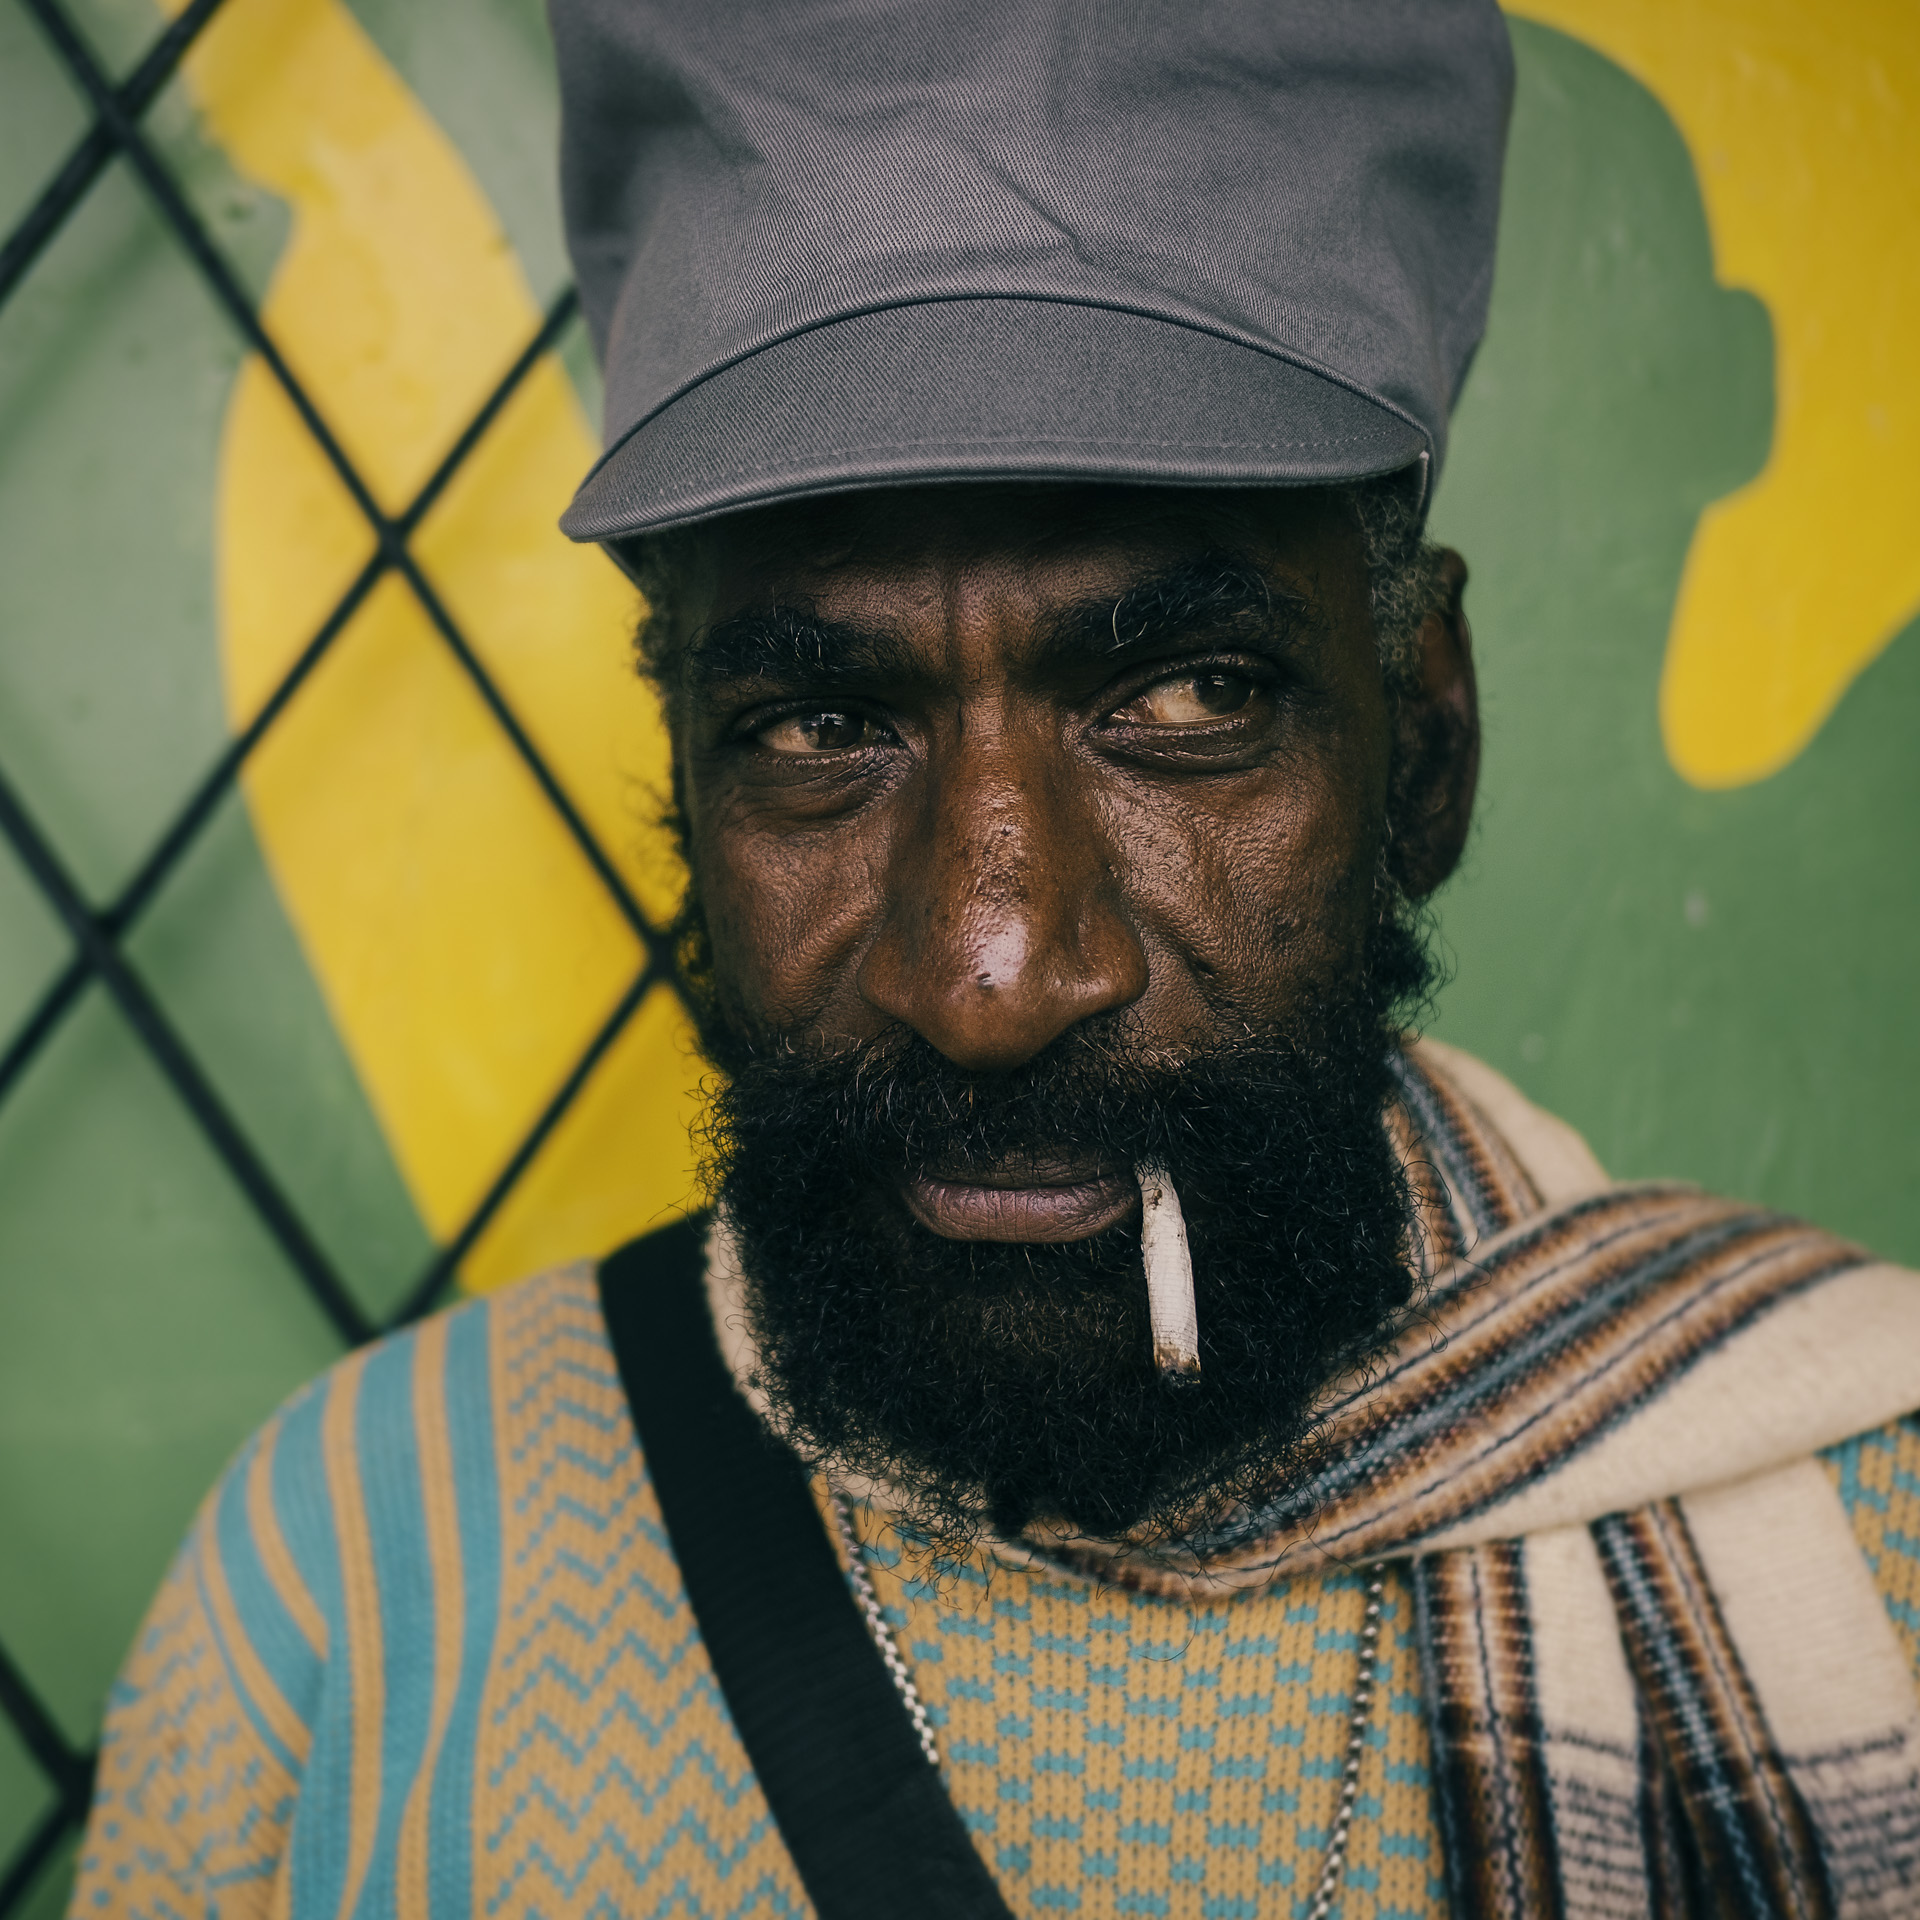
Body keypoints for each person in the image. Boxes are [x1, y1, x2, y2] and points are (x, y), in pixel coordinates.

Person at [73, 2, 1920, 1915]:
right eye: (814, 727)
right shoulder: (343, 1589)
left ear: (1425, 749)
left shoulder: (1879, 1538)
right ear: (683, 788)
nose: (990, 967)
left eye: (1192, 697)